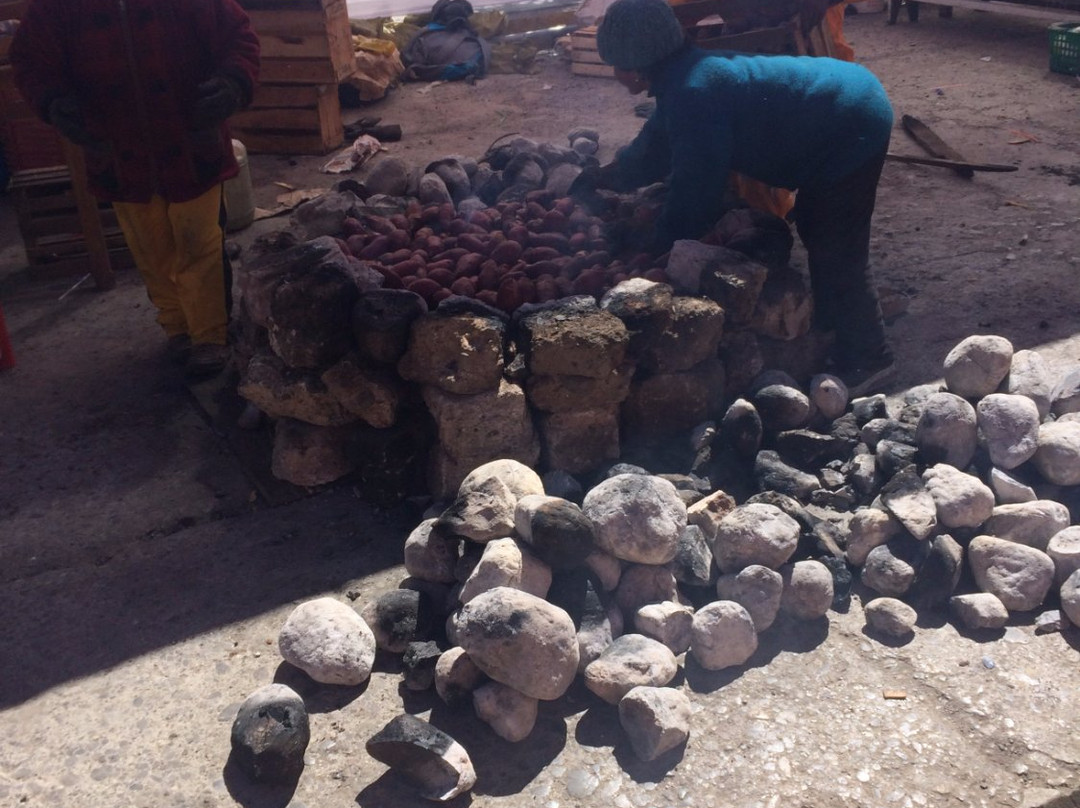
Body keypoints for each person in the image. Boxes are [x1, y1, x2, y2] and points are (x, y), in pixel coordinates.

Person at [592, 0, 896, 395]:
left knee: (835, 241)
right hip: (843, 98)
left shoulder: (694, 90)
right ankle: (832, 325)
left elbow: (695, 190)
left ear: (636, 63)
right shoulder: (685, 78)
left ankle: (871, 356)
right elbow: (655, 145)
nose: (614, 74)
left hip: (851, 120)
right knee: (819, 226)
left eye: (616, 63)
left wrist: (656, 245)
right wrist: (607, 179)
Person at [10, 0, 260, 378]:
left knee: (199, 242)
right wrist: (53, 100)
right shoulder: (57, 7)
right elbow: (31, 59)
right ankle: (177, 327)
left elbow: (238, 36)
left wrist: (233, 81)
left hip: (192, 143)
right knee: (150, 245)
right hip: (117, 152)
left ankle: (209, 335)